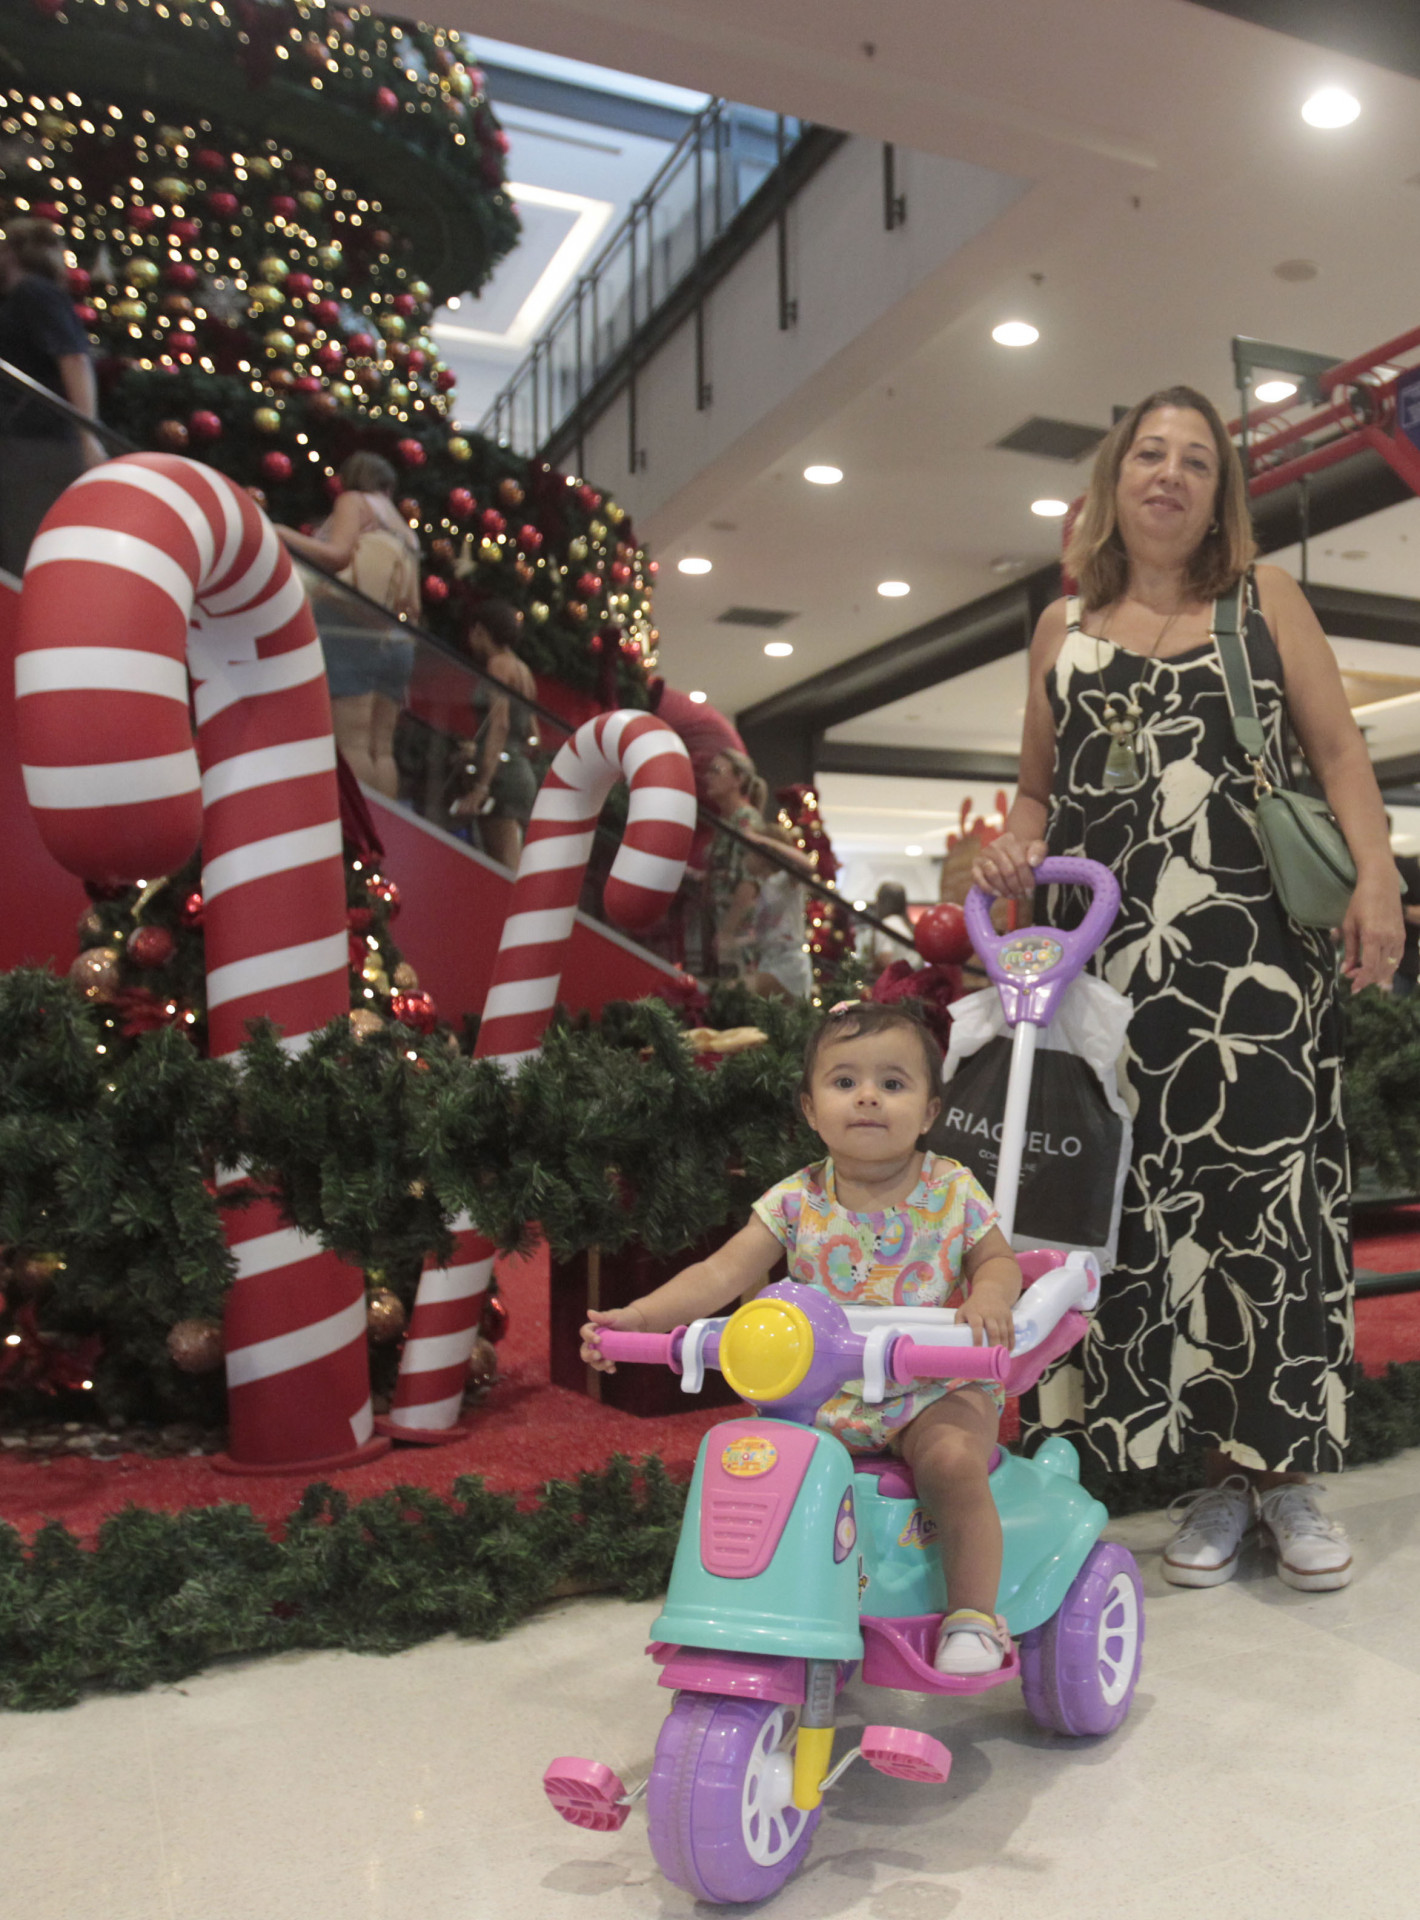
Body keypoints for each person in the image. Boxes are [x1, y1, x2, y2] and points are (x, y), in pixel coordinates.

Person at [974, 383, 1405, 1594]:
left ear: (1221, 495)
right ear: (1115, 481)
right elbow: (1034, 793)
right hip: (1100, 974)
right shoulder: (1062, 628)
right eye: (1149, 455)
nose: (1169, 475)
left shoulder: (1261, 601)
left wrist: (1376, 879)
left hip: (1253, 964)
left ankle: (1288, 1477)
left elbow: (1336, 754)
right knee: (1139, 1222)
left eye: (1197, 462)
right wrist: (1013, 847)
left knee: (1265, 1206)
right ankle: (1210, 1480)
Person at [582, 1000, 1024, 1674]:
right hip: (818, 1396)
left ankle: (972, 1616)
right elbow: (723, 1271)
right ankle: (759, 1601)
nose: (868, 1096)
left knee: (953, 1463)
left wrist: (990, 1296)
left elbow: (996, 1260)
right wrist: (643, 1317)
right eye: (844, 1082)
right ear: (811, 1109)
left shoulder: (952, 1189)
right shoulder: (794, 1201)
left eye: (894, 1084)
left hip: (929, 1385)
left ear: (930, 1112)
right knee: (756, 1470)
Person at [277, 451, 420, 800]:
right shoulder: (404, 527)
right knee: (381, 747)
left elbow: (337, 555)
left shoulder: (355, 501)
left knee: (351, 740)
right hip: (398, 638)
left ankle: (355, 835)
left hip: (350, 624)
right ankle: (381, 832)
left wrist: (280, 532)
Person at [0, 216, 105, 577]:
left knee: (30, 551)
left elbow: (74, 359)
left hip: (39, 445)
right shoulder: (27, 296)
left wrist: (87, 434)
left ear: (12, 252)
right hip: (30, 442)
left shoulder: (34, 293)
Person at [446, 600, 542, 869]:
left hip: (500, 776)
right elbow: (533, 735)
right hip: (519, 771)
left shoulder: (498, 665)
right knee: (509, 859)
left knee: (502, 868)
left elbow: (499, 724)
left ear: (480, 630)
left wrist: (481, 786)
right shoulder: (523, 670)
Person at [703, 747, 767, 978]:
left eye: (716, 771)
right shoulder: (726, 822)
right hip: (724, 928)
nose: (708, 777)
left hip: (741, 937)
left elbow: (749, 884)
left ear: (738, 780)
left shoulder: (746, 822)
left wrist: (727, 932)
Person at [739, 822, 814, 999]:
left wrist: (764, 841)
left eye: (750, 851)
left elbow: (808, 866)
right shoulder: (766, 886)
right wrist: (736, 942)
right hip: (769, 961)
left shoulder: (785, 881)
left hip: (788, 964)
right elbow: (767, 932)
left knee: (738, 992)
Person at [860, 880, 924, 975]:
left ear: (882, 902)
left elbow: (885, 959)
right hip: (913, 979)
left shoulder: (887, 924)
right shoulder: (905, 925)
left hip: (899, 981)